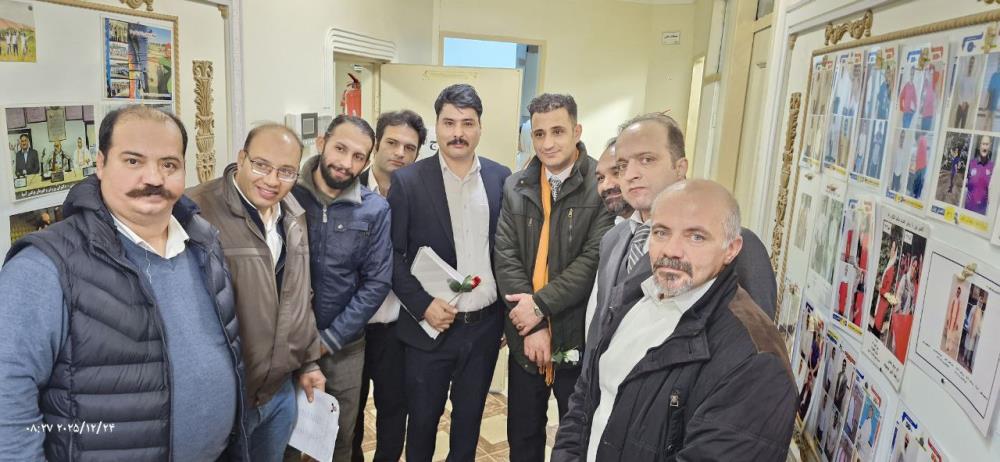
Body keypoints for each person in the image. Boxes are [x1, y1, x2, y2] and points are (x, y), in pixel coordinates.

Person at [0, 105, 249, 460]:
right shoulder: (44, 265)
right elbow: (8, 400)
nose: (154, 178)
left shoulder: (203, 242)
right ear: (100, 164)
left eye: (169, 164)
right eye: (133, 161)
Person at [552, 179, 797, 462]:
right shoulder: (634, 294)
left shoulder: (756, 360)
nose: (672, 250)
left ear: (731, 248)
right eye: (661, 232)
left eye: (696, 237)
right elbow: (586, 399)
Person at [387, 84, 511, 461]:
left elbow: (507, 252)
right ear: (437, 126)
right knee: (422, 423)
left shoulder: (501, 178)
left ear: (480, 128)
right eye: (449, 122)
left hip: (485, 328)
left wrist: (505, 315)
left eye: (467, 123)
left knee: (468, 424)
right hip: (430, 328)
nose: (458, 132)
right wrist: (423, 305)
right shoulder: (408, 181)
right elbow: (391, 255)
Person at [187, 123, 325, 460]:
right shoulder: (195, 209)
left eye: (286, 171)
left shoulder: (294, 214)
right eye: (261, 165)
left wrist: (309, 363)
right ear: (241, 158)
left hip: (279, 390)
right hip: (226, 400)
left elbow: (300, 296)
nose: (272, 180)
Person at [494, 93, 615, 461]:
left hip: (575, 334)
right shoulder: (516, 185)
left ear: (577, 131)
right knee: (522, 437)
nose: (547, 143)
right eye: (539, 133)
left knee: (576, 440)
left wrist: (540, 306)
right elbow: (506, 256)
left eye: (558, 131)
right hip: (525, 338)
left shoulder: (600, 183)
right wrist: (532, 324)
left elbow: (592, 261)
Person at [590, 112, 776, 344]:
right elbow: (600, 328)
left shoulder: (732, 245)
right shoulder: (612, 239)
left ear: (680, 167)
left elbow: (757, 341)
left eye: (647, 160)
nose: (630, 174)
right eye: (622, 165)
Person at [291, 115, 393, 462]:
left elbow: (377, 282)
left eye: (358, 156)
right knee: (284, 439)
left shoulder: (375, 209)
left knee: (338, 441)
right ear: (321, 143)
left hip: (345, 348)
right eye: (340, 149)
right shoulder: (288, 196)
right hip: (287, 346)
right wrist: (302, 343)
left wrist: (329, 340)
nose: (347, 163)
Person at [351, 109, 427, 462]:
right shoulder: (345, 190)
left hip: (397, 326)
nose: (400, 153)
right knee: (348, 415)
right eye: (393, 143)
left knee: (394, 412)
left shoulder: (421, 198)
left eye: (409, 148)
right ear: (376, 144)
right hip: (350, 327)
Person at [964, 135, 994, 215]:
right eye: (983, 144)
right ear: (979, 145)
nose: (984, 147)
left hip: (981, 214)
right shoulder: (971, 163)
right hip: (967, 211)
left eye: (987, 144)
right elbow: (964, 185)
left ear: (990, 146)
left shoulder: (992, 167)